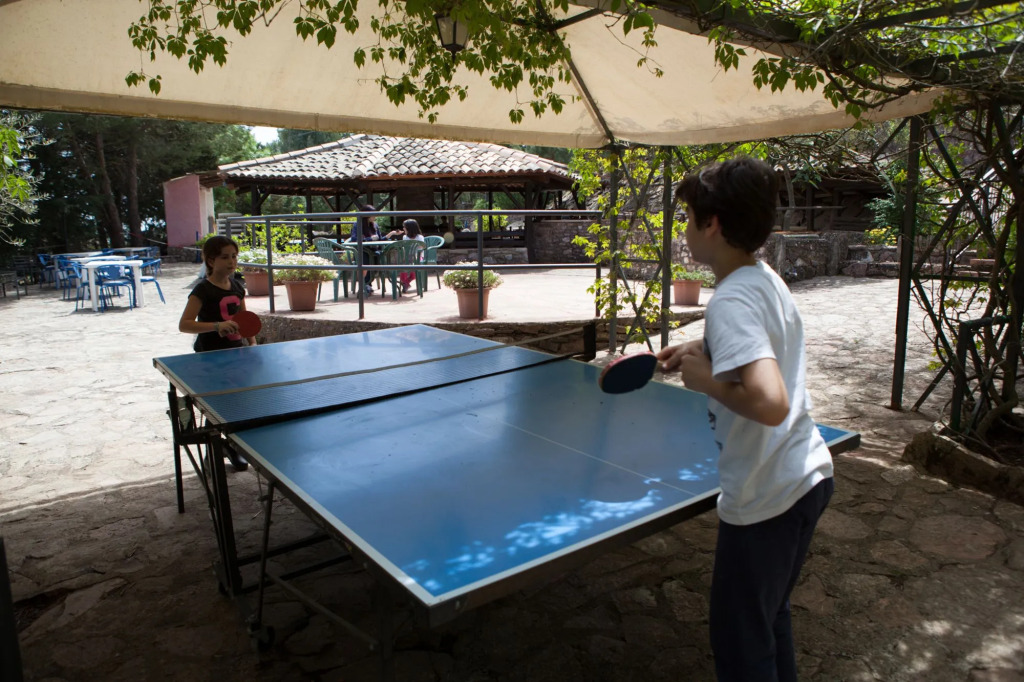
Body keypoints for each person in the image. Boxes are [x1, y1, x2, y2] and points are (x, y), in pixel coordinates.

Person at [656, 156, 834, 682]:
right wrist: (705, 347)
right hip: (806, 477)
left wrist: (708, 380)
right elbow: (763, 341)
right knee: (768, 618)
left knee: (739, 641)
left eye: (688, 218)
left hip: (766, 495)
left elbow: (771, 401)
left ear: (712, 224)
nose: (685, 229)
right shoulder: (762, 277)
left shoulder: (730, 300)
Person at [178, 235, 255, 470]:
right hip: (210, 357)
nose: (232, 262)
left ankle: (232, 447)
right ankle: (213, 449)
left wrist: (252, 344)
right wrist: (216, 326)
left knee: (238, 404)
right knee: (215, 408)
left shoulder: (238, 287)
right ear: (211, 261)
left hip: (236, 356)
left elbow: (244, 320)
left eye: (234, 256)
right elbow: (185, 324)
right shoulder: (203, 290)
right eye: (225, 257)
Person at [346, 204, 382, 294]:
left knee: (378, 256)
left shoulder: (375, 225)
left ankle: (368, 283)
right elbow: (354, 239)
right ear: (367, 216)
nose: (375, 217)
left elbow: (380, 238)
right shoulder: (357, 225)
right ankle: (365, 284)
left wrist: (391, 234)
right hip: (362, 250)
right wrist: (370, 239)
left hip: (374, 250)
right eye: (373, 214)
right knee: (365, 258)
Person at [384, 218, 426, 294]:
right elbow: (404, 248)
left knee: (414, 269)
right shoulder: (405, 237)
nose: (403, 228)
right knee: (403, 265)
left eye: (405, 227)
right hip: (407, 257)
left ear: (410, 228)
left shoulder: (420, 237)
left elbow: (421, 249)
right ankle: (405, 282)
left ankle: (405, 283)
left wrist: (413, 255)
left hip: (418, 257)